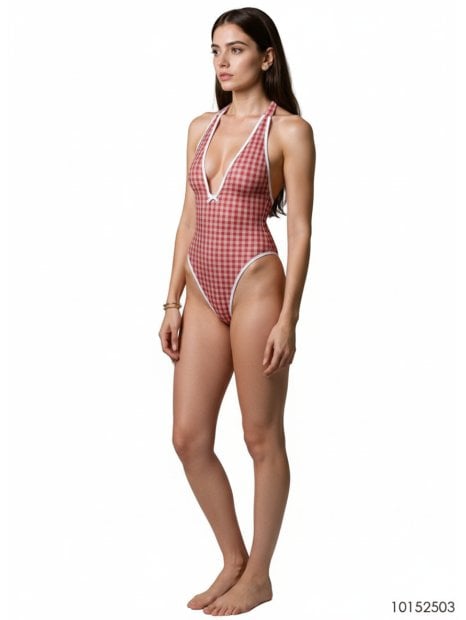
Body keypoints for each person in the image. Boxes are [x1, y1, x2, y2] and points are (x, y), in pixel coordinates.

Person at [158, 7, 315, 616]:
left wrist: (288, 317)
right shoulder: (201, 127)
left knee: (259, 435)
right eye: (215, 50)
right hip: (201, 289)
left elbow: (299, 231)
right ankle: (233, 558)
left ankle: (260, 576)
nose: (223, 62)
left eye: (237, 49)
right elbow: (188, 218)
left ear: (266, 57)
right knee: (188, 437)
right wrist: (170, 301)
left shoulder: (290, 131)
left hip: (256, 284)